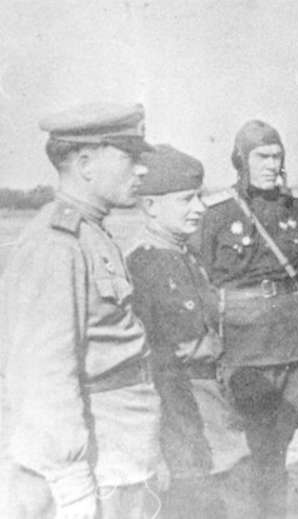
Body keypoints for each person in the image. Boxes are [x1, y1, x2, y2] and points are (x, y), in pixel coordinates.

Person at [0, 103, 161, 518]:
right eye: (129, 157)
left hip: (121, 455)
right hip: (95, 466)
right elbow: (44, 373)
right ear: (86, 164)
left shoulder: (91, 233)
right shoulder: (57, 243)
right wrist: (69, 479)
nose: (142, 170)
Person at [193, 120, 298, 518]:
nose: (271, 165)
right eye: (261, 157)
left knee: (280, 442)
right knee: (248, 445)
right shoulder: (217, 212)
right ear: (241, 161)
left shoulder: (297, 208)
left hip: (292, 345)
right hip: (243, 347)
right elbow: (202, 282)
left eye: (276, 156)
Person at [125, 144, 258, 518]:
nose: (199, 208)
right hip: (180, 415)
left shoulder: (187, 256)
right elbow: (146, 361)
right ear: (151, 206)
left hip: (214, 407)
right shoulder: (141, 264)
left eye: (199, 197)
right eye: (186, 199)